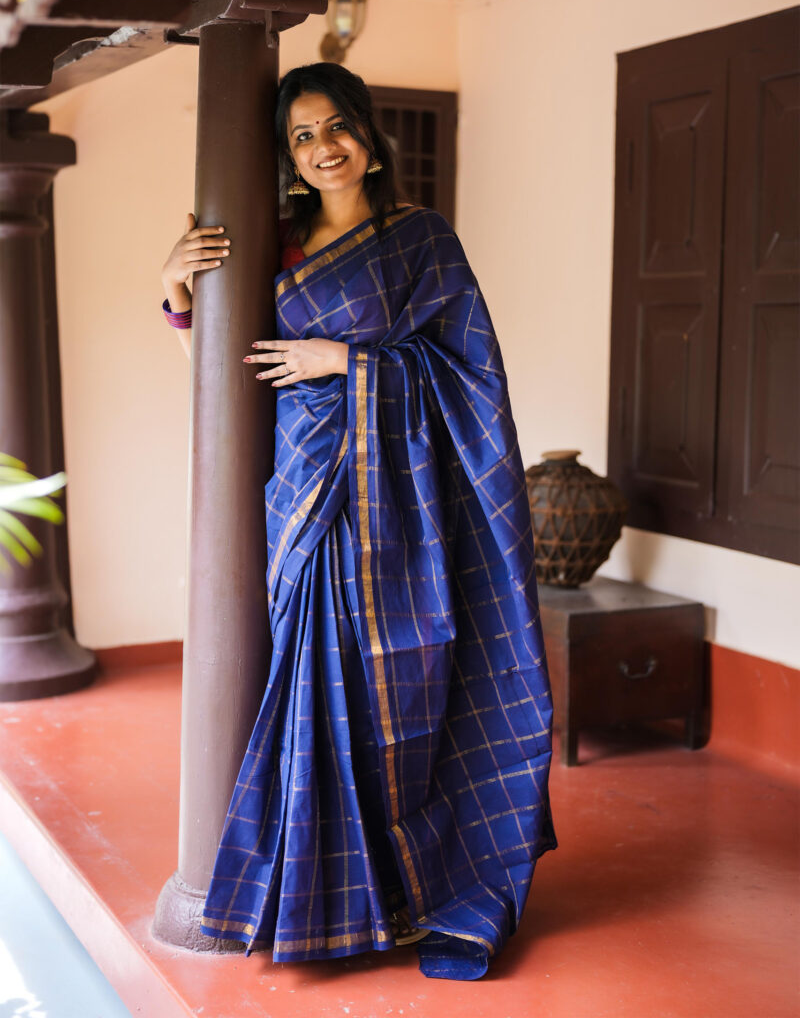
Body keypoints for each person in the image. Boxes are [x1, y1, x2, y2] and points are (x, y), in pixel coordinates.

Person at [160, 62, 557, 980]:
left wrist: (345, 360)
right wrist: (176, 291)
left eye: (337, 126)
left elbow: (473, 379)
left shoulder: (422, 240)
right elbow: (231, 373)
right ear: (289, 157)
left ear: (369, 139)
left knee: (405, 696)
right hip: (307, 499)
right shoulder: (276, 245)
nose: (323, 147)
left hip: (404, 513)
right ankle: (331, 899)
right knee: (318, 685)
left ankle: (415, 891)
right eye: (302, 136)